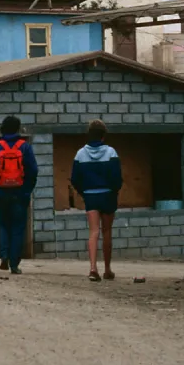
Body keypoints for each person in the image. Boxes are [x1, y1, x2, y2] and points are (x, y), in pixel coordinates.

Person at [70, 119, 123, 282]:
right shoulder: (111, 152)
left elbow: (74, 179)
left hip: (90, 196)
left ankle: (93, 268)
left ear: (89, 135)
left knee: (93, 232)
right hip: (108, 195)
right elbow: (117, 178)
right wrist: (113, 191)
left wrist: (84, 193)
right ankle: (107, 269)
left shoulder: (80, 153)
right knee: (107, 231)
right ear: (103, 136)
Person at [0, 115, 38, 275]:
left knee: (3, 225)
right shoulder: (25, 147)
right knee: (18, 228)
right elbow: (33, 171)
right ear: (18, 129)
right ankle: (14, 264)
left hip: (1, 194)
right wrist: (27, 190)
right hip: (20, 195)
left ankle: (4, 256)